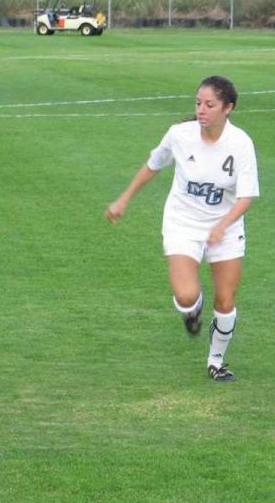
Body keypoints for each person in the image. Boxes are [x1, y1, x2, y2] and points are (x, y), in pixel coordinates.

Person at [105, 76, 259, 383]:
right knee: (187, 295)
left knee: (226, 301)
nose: (201, 110)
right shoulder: (179, 135)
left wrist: (222, 226)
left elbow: (246, 197)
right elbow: (153, 165)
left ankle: (216, 360)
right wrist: (123, 199)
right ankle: (193, 310)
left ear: (228, 108)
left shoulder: (240, 143)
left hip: (225, 226)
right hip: (183, 222)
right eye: (198, 103)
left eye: (210, 105)